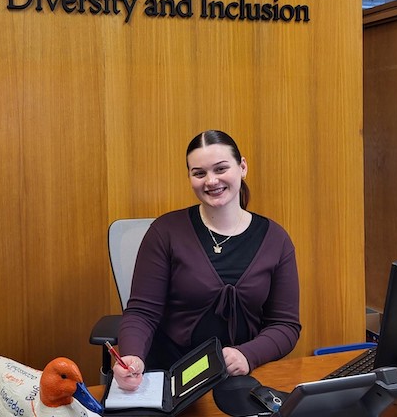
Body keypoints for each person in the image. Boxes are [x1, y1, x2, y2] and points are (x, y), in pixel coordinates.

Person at [112, 130, 301, 391]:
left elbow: (285, 325)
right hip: (172, 375)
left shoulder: (276, 239)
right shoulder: (165, 231)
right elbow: (142, 313)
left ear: (242, 167)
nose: (211, 181)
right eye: (199, 173)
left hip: (241, 377)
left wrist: (248, 355)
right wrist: (132, 356)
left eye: (221, 169)